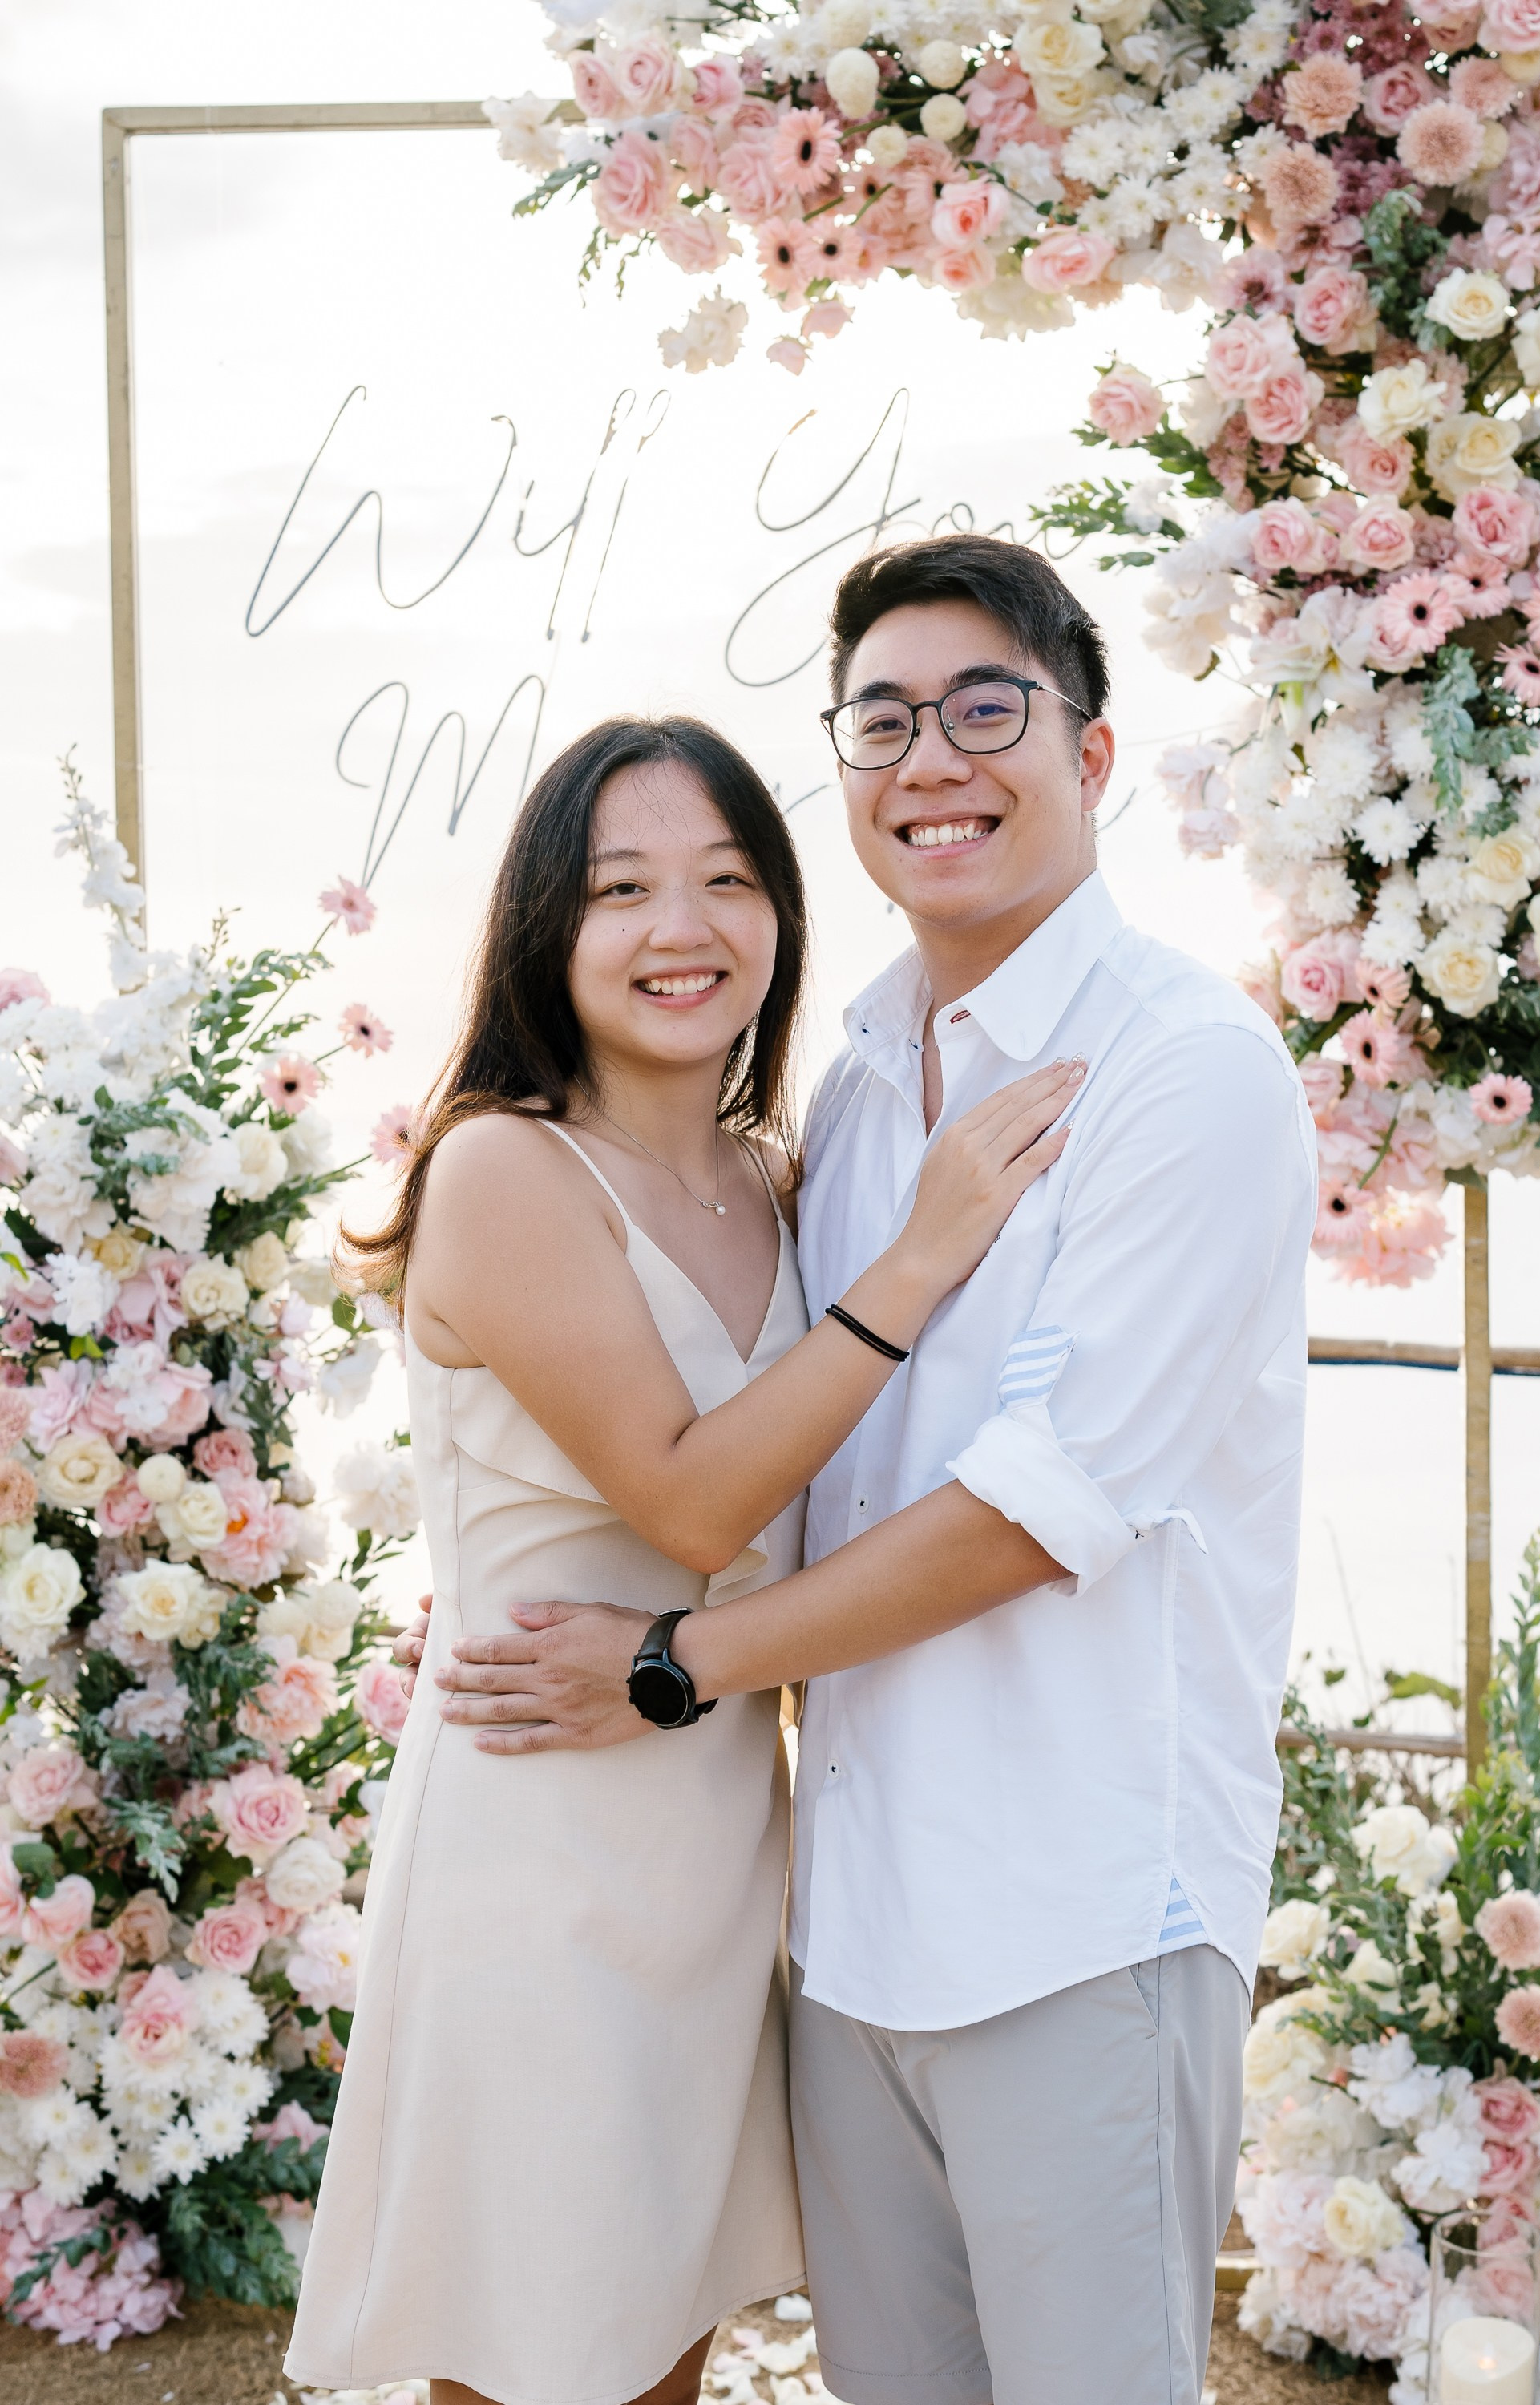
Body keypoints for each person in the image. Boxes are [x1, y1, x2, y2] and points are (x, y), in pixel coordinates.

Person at [420, 536, 1320, 2405]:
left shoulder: (1179, 1071)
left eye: (989, 706)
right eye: (884, 719)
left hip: (1078, 1912)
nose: (935, 759)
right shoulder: (852, 1087)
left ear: (1093, 751)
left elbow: (1029, 1518)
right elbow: (769, 1460)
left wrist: (671, 1662)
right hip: (847, 1925)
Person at [283, 710, 1080, 2405]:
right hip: (544, 1844)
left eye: (727, 880)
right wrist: (929, 1253)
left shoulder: (772, 1178)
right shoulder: (505, 1168)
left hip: (721, 1853)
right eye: (622, 887)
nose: (681, 928)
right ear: (545, 929)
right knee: (540, 2349)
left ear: (782, 919)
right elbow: (697, 1505)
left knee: (661, 2357)